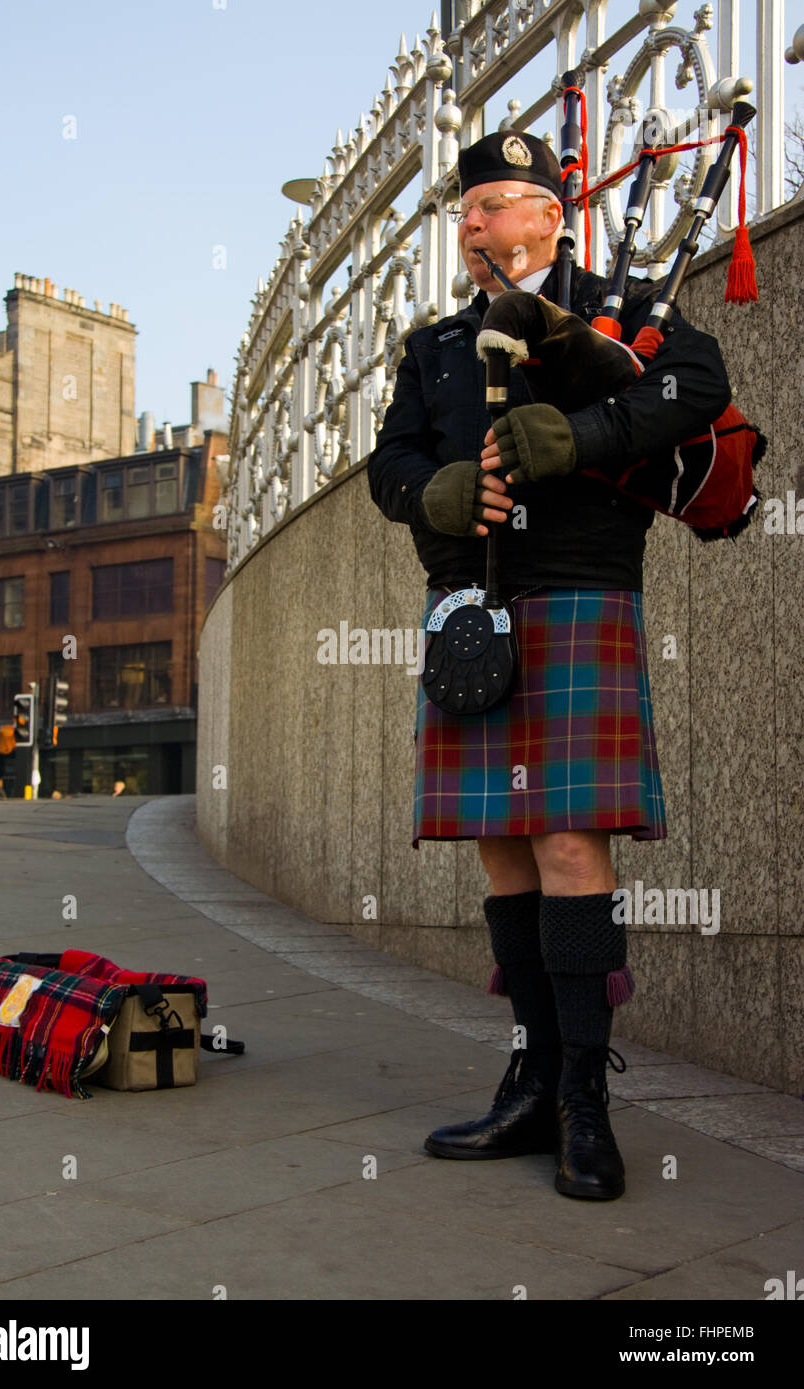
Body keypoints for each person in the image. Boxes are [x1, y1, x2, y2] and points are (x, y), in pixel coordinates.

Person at [367, 130, 731, 1200]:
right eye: (465, 210)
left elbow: (696, 388)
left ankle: (583, 1097)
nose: (469, 226)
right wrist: (429, 493)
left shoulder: (616, 312)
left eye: (492, 207)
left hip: (576, 589)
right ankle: (527, 1076)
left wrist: (579, 436)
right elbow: (387, 458)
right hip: (469, 602)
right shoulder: (433, 344)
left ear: (547, 218)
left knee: (568, 839)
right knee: (502, 845)